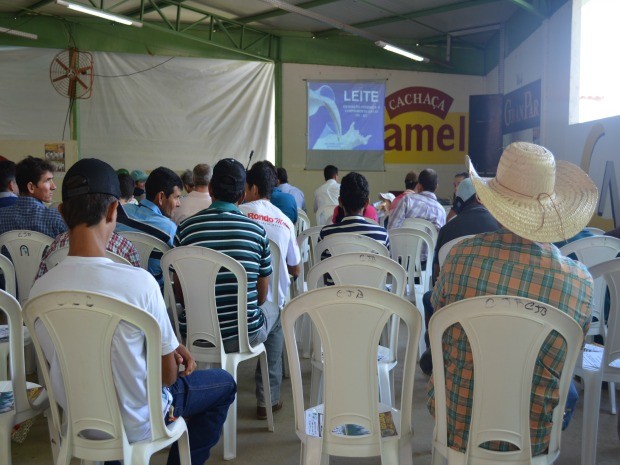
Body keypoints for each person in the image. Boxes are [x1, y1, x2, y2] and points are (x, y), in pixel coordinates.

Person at [29, 158, 236, 465]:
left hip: (81, 421)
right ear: (114, 210)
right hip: (140, 423)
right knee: (224, 385)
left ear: (61, 212)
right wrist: (163, 347)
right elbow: (167, 377)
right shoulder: (139, 284)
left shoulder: (39, 292)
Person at [428, 142, 598, 455]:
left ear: (493, 200)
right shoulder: (579, 281)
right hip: (535, 434)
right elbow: (568, 359)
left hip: (458, 422)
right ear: (553, 208)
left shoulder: (460, 257)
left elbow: (438, 310)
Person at [175, 158, 283, 420]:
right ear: (243, 194)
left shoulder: (185, 230)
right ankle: (268, 399)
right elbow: (261, 296)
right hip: (242, 334)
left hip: (195, 335)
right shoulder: (257, 233)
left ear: (210, 189)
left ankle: (180, 396)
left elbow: (180, 294)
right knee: (276, 313)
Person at [418, 178, 500, 375]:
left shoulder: (448, 230)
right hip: (495, 306)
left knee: (429, 297)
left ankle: (435, 345)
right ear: (482, 199)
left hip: (454, 307)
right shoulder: (499, 227)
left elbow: (437, 277)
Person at [240, 160, 301, 308]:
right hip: (275, 308)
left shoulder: (238, 213)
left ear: (253, 189)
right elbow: (296, 269)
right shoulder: (285, 222)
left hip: (242, 305)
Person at [318, 172, 390, 285]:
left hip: (335, 300)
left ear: (340, 202)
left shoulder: (325, 234)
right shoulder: (382, 234)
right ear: (367, 203)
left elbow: (323, 272)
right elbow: (386, 271)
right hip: (371, 301)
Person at [116, 167, 182, 284]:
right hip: (154, 295)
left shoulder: (120, 213)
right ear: (161, 197)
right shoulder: (170, 230)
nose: (179, 204)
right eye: (176, 197)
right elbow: (178, 272)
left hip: (119, 287)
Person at [0, 156, 67, 238]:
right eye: (48, 180)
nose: (53, 187)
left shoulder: (2, 215)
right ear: (31, 187)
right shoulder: (57, 217)